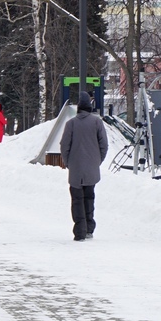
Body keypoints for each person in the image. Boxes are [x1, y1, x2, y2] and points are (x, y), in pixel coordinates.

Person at [57, 97, 107, 241]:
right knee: (89, 197)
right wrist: (97, 161)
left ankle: (80, 231)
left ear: (78, 108)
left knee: (77, 199)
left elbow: (64, 145)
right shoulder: (97, 122)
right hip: (92, 168)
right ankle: (89, 229)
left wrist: (68, 162)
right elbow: (104, 144)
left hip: (76, 168)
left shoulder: (71, 124)